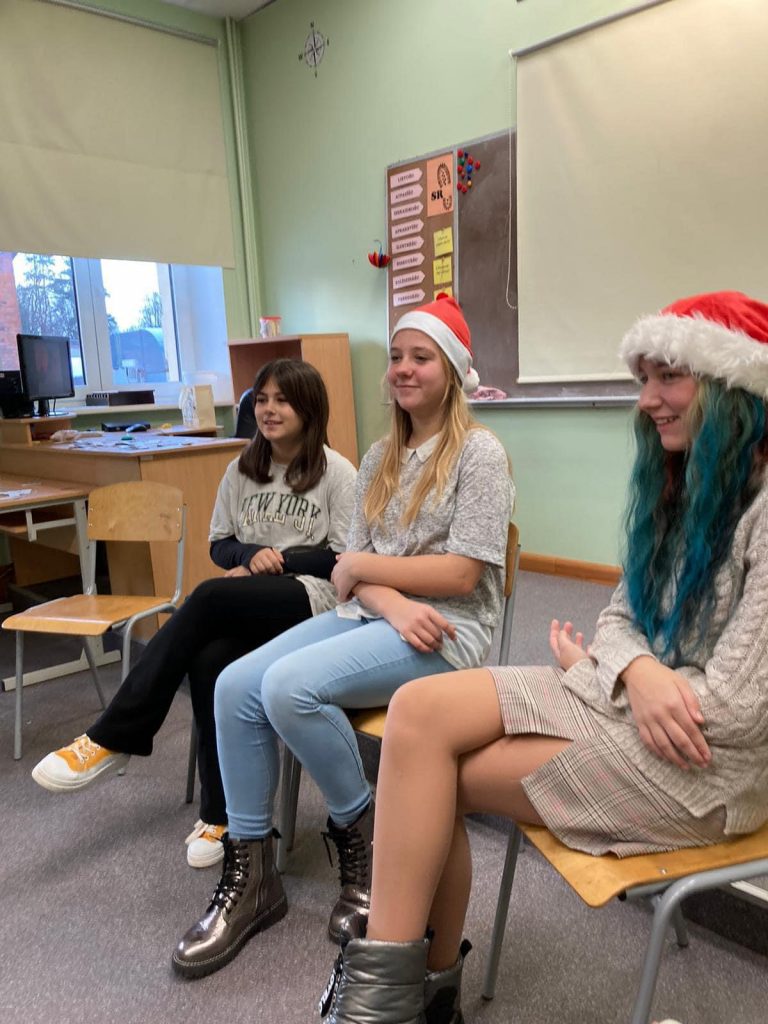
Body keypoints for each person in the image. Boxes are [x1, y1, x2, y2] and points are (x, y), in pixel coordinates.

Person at [315, 290, 768, 1024]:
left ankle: (402, 1001)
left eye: (669, 378)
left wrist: (609, 673)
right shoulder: (689, 486)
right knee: (416, 714)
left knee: (433, 778)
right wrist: (635, 671)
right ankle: (406, 998)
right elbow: (618, 621)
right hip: (633, 705)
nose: (647, 400)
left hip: (707, 769)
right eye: (644, 380)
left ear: (732, 385)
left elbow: (738, 712)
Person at [171, 293, 513, 979]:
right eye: (396, 356)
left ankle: (367, 841)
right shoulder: (381, 456)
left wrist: (370, 579)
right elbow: (349, 569)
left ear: (452, 369)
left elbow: (461, 572)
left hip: (446, 631)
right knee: (235, 686)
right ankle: (253, 876)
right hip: (380, 615)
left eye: (421, 357)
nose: (403, 368)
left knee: (287, 688)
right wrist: (386, 596)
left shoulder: (480, 453)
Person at [31, 359, 357, 869]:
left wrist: (277, 561)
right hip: (250, 595)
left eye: (283, 401)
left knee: (206, 597)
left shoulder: (337, 473)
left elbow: (344, 559)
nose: (268, 410)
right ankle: (222, 815)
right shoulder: (241, 469)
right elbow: (219, 544)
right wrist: (248, 555)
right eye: (262, 399)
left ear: (309, 409)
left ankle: (115, 733)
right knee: (209, 662)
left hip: (310, 599)